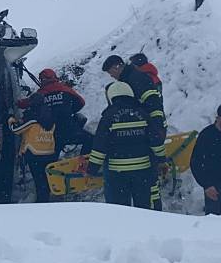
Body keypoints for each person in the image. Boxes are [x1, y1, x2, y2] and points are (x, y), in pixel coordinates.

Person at [88, 82, 167, 210]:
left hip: (117, 174)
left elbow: (100, 146)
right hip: (142, 172)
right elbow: (156, 140)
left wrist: (92, 169)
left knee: (119, 211)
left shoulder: (109, 116)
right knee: (144, 209)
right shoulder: (142, 113)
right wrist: (162, 160)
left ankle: (123, 229)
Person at [12, 68, 86, 202]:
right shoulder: (65, 89)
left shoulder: (41, 94)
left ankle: (48, 196)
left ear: (42, 80)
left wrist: (15, 105)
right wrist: (69, 111)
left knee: (48, 171)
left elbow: (26, 103)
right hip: (70, 129)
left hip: (52, 136)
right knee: (90, 139)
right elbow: (81, 102)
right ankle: (85, 162)